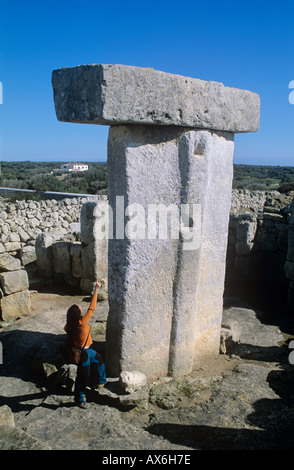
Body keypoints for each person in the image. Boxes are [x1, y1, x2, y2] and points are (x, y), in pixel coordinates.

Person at [64, 280, 107, 408]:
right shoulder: (82, 323)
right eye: (79, 308)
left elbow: (67, 330)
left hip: (85, 351)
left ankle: (100, 382)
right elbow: (92, 307)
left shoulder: (69, 325)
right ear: (78, 314)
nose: (81, 307)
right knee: (82, 377)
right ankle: (79, 398)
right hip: (83, 354)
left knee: (99, 359)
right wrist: (96, 290)